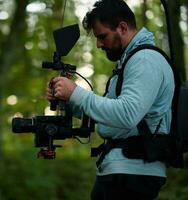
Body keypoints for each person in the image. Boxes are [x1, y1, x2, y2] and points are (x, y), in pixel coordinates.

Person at [47, 0, 174, 199]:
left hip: (132, 174)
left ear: (122, 27)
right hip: (122, 171)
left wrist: (76, 93)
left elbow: (127, 115)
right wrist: (69, 100)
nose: (98, 44)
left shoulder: (145, 60)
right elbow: (109, 114)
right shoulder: (131, 60)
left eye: (102, 36)